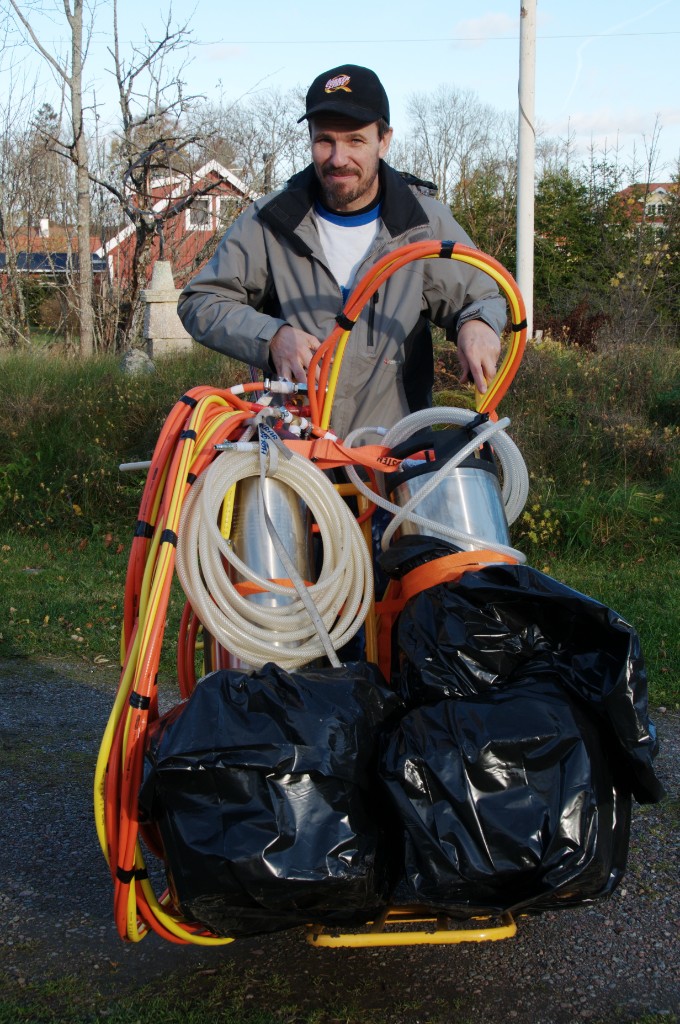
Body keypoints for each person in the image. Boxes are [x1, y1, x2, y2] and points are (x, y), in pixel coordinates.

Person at [178, 64, 507, 440]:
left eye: (355, 140)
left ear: (384, 140)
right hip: (295, 461)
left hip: (393, 462)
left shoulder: (423, 223)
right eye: (325, 141)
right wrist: (271, 337)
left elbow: (482, 295)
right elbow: (200, 300)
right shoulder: (271, 221)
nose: (338, 158)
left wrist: (477, 323)